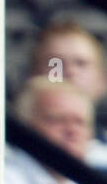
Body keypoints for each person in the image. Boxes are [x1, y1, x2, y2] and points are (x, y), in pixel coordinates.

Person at [28, 17, 107, 171]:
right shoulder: (3, 155)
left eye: (81, 63)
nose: (70, 71)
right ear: (33, 75)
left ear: (102, 81)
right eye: (55, 63)